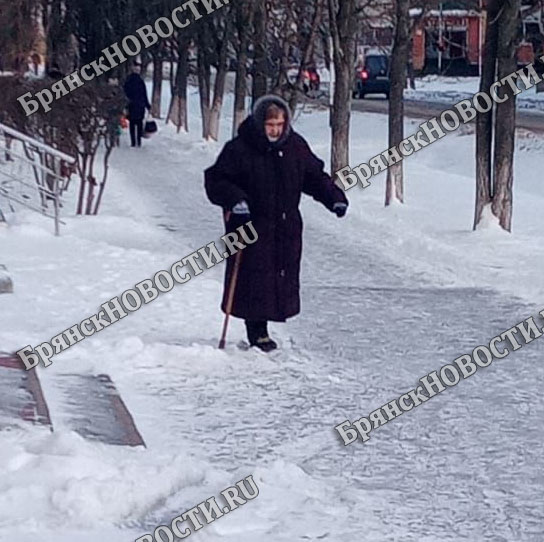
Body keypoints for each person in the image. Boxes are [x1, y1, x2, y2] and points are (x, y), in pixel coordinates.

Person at [204, 94, 348, 352]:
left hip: (284, 227)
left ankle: (263, 326)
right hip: (249, 226)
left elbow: (314, 177)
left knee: (277, 276)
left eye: (279, 125)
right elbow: (217, 180)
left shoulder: (295, 147)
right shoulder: (239, 149)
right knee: (254, 277)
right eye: (270, 125)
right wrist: (235, 200)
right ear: (260, 123)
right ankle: (257, 331)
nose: (274, 130)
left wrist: (334, 198)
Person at [123, 61, 151, 147]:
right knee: (139, 124)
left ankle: (133, 142)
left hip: (131, 105)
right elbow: (144, 94)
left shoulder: (128, 81)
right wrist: (147, 105)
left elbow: (125, 93)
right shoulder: (140, 82)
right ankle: (138, 142)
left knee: (132, 124)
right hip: (140, 105)